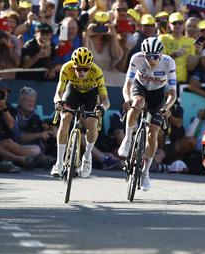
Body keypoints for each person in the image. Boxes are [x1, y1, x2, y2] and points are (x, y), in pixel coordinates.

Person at [118, 37, 178, 192]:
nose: (151, 60)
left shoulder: (168, 62)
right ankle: (128, 138)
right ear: (143, 54)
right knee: (137, 102)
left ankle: (145, 172)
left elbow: (172, 93)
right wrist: (127, 99)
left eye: (155, 56)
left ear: (161, 54)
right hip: (140, 87)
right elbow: (128, 84)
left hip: (158, 94)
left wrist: (166, 107)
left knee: (153, 134)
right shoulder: (136, 58)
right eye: (148, 56)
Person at [51, 47, 111, 178]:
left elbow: (106, 100)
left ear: (90, 67)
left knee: (92, 123)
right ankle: (59, 163)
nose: (82, 72)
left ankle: (87, 156)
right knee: (65, 118)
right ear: (73, 65)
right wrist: (58, 101)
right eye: (78, 69)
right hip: (73, 91)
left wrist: (102, 108)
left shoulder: (97, 71)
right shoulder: (66, 68)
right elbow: (58, 93)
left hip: (91, 94)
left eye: (86, 69)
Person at [160, 12, 199, 84]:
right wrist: (174, 55)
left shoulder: (191, 41)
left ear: (184, 25)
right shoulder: (163, 38)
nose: (177, 25)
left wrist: (199, 52)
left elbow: (190, 67)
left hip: (182, 82)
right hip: (165, 81)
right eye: (174, 23)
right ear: (169, 25)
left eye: (180, 23)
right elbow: (161, 62)